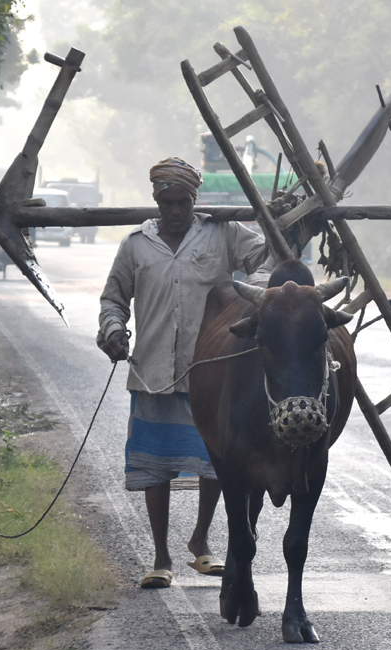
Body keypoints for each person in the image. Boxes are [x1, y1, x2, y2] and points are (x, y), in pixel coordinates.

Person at [97, 157, 272, 589]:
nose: (175, 210)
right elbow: (113, 299)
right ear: (156, 201)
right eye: (168, 202)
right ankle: (160, 557)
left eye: (183, 202)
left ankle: (201, 541)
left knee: (215, 464)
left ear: (195, 200)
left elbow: (266, 260)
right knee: (154, 467)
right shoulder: (135, 245)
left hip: (212, 374)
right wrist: (114, 330)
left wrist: (252, 297)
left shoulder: (223, 233)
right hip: (153, 372)